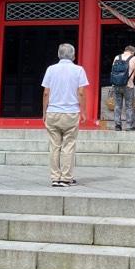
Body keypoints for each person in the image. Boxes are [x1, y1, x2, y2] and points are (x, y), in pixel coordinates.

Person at [41, 42, 88, 187]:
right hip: (70, 112)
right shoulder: (79, 70)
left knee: (54, 146)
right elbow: (81, 92)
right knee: (68, 145)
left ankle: (55, 177)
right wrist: (83, 111)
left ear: (58, 54)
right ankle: (66, 177)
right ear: (73, 55)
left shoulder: (50, 69)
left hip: (53, 112)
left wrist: (44, 112)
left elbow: (46, 92)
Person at [112, 44, 135, 131]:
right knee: (129, 106)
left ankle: (117, 125)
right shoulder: (134, 58)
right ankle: (129, 126)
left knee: (117, 105)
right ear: (132, 52)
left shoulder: (117, 57)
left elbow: (113, 70)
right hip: (128, 85)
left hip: (116, 85)